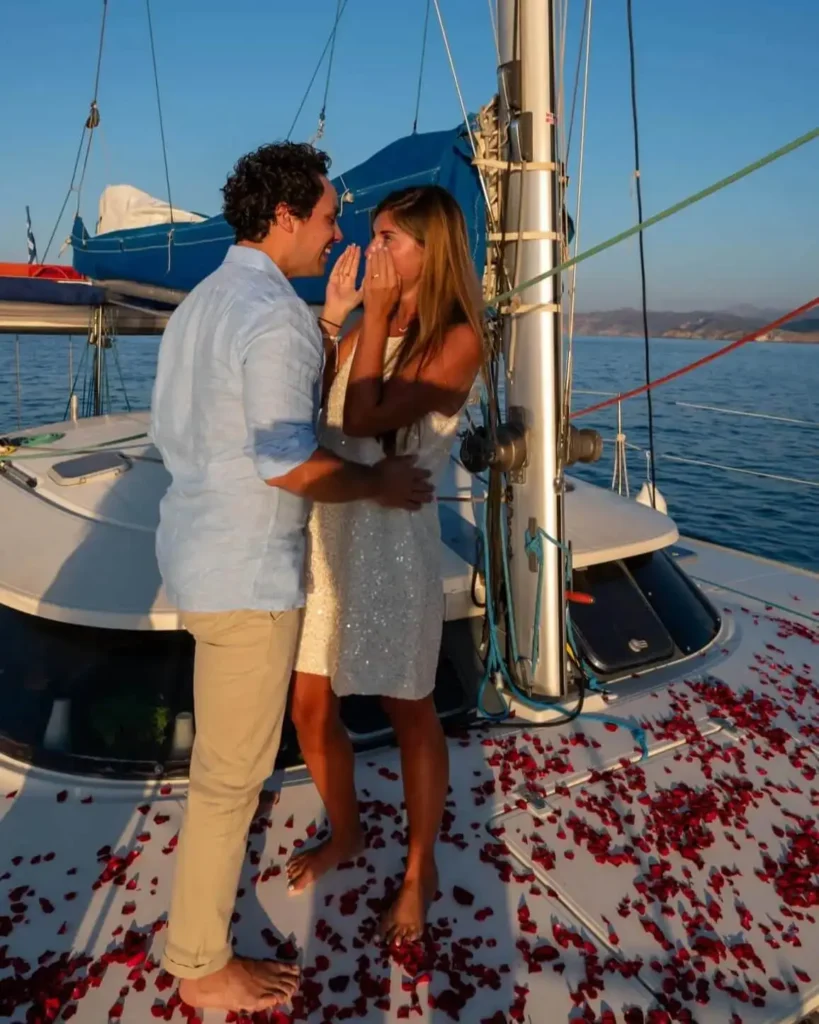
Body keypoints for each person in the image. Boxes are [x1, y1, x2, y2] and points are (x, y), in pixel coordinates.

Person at [150, 142, 434, 1015]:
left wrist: (328, 317)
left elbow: (246, 401)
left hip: (196, 555)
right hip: (247, 574)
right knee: (229, 781)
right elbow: (282, 457)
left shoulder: (208, 303)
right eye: (324, 216)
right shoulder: (268, 315)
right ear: (282, 219)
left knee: (225, 770)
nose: (337, 231)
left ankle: (199, 945)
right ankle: (199, 964)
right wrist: (373, 483)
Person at [286, 184, 485, 946]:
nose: (374, 253)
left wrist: (369, 321)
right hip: (326, 536)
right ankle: (346, 831)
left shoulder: (458, 338)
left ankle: (418, 867)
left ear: (432, 252)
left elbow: (364, 417)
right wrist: (340, 320)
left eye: (390, 240)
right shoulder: (370, 318)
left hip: (390, 543)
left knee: (409, 707)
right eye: (372, 237)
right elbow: (320, 407)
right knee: (308, 706)